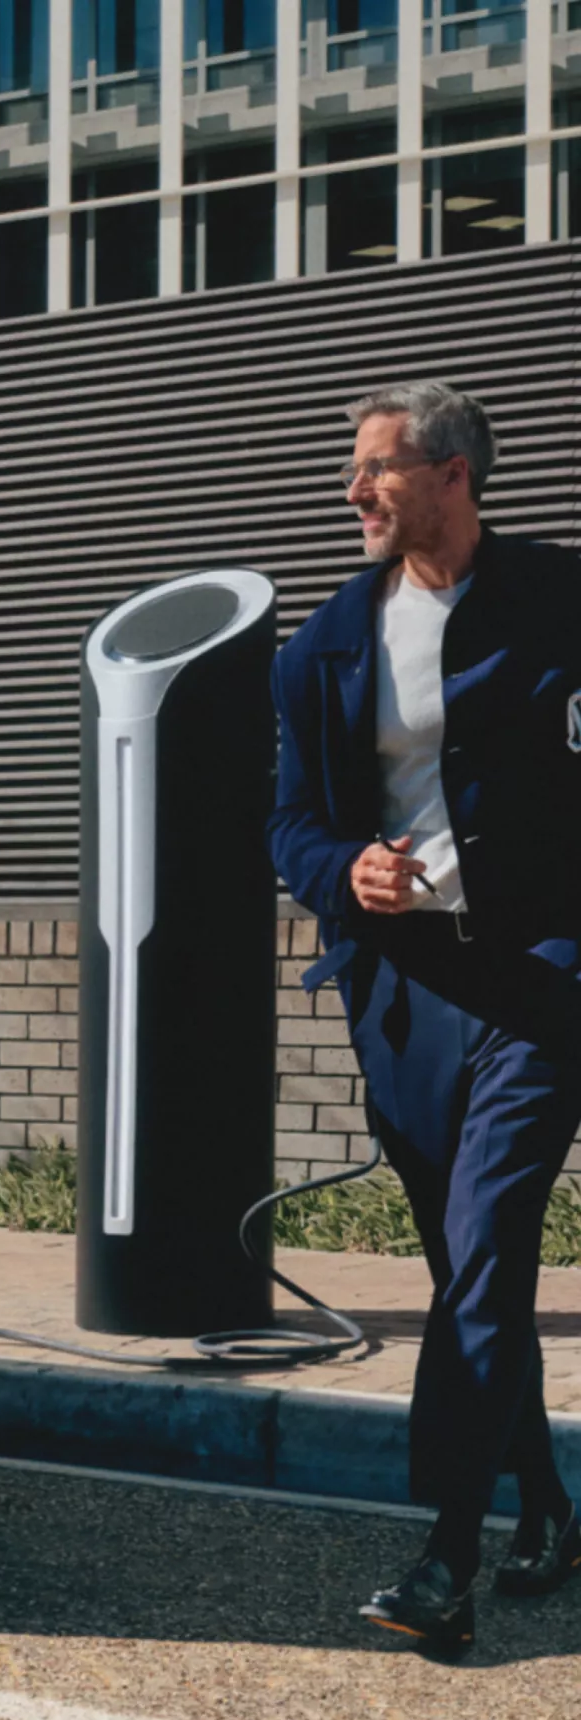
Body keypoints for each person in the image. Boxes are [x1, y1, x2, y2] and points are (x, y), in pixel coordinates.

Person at [267, 381, 581, 1650]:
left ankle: (444, 1557)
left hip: (540, 976)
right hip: (406, 992)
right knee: (466, 1272)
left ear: (451, 474)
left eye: (377, 469)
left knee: (490, 1239)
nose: (355, 492)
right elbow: (288, 823)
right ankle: (551, 1508)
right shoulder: (324, 645)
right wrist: (346, 871)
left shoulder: (561, 601)